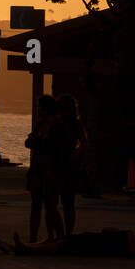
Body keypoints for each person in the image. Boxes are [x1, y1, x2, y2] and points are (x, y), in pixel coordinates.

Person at [24, 95, 61, 241]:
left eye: (39, 106)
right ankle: (33, 238)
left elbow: (57, 148)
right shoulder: (39, 125)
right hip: (37, 170)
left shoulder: (57, 126)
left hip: (51, 170)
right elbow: (29, 142)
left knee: (51, 206)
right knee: (36, 205)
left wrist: (38, 139)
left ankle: (56, 237)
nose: (38, 109)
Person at [48, 94, 86, 235]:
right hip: (55, 165)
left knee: (68, 203)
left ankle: (68, 234)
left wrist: (77, 153)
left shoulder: (76, 124)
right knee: (52, 204)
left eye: (69, 109)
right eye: (63, 109)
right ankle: (59, 233)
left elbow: (84, 143)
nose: (66, 112)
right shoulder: (55, 124)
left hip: (69, 167)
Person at [0, 229, 135, 258]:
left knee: (60, 246)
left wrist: (129, 233)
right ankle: (18, 247)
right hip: (94, 239)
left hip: (95, 246)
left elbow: (132, 251)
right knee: (57, 240)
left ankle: (23, 249)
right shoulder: (133, 239)